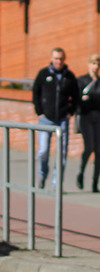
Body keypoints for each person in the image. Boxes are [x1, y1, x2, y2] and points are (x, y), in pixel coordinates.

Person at [32, 47, 79, 189]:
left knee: (62, 153)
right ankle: (42, 174)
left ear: (64, 60)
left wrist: (70, 112)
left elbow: (75, 96)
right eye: (56, 59)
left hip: (62, 120)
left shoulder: (69, 76)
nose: (58, 61)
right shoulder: (43, 74)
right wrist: (39, 112)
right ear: (52, 59)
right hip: (46, 119)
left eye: (61, 59)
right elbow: (36, 94)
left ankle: (56, 183)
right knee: (43, 151)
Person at [76, 54, 100, 193]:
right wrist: (83, 99)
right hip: (86, 117)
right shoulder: (82, 81)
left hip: (98, 117)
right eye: (94, 63)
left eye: (98, 64)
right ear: (89, 65)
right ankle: (81, 172)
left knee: (99, 150)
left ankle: (95, 182)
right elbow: (77, 99)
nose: (96, 66)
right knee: (89, 147)